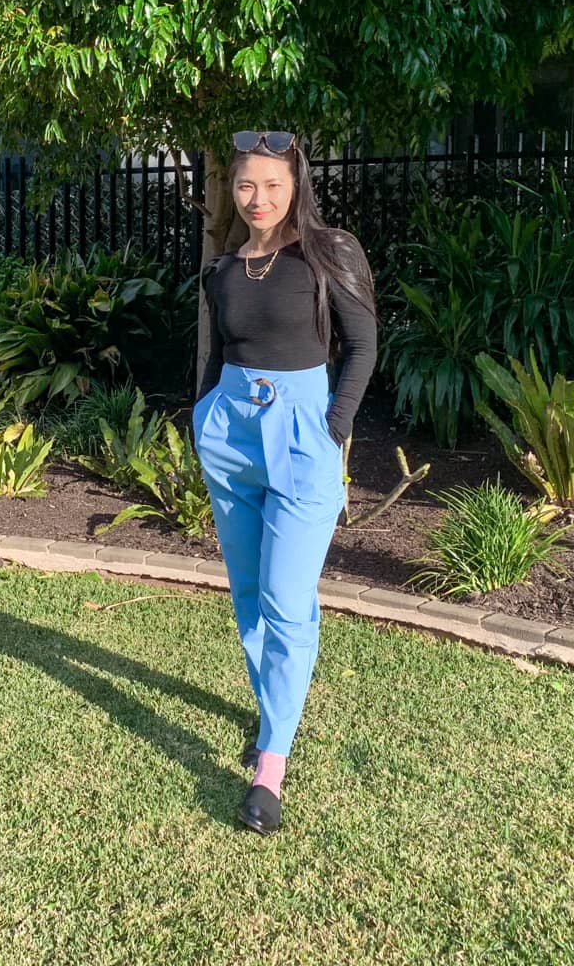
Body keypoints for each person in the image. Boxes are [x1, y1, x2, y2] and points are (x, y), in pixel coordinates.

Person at [191, 129, 378, 835]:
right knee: (246, 593)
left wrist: (332, 431)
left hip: (303, 434)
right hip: (230, 435)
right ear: (231, 189)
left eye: (272, 184)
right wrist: (202, 417)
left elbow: (363, 345)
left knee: (286, 596)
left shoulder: (331, 253)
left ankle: (270, 766)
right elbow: (218, 352)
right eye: (245, 185)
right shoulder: (225, 267)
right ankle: (273, 711)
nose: (258, 198)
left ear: (296, 184)